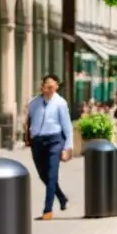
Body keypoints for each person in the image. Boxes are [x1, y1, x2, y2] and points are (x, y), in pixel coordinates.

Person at [26, 74, 73, 220]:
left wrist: (67, 148)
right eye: (48, 86)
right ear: (42, 86)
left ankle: (47, 210)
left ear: (57, 87)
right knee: (43, 175)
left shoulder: (60, 103)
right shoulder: (34, 103)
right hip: (38, 142)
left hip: (55, 141)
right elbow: (29, 121)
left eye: (53, 86)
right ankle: (62, 197)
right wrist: (29, 138)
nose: (50, 89)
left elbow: (67, 127)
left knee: (52, 174)